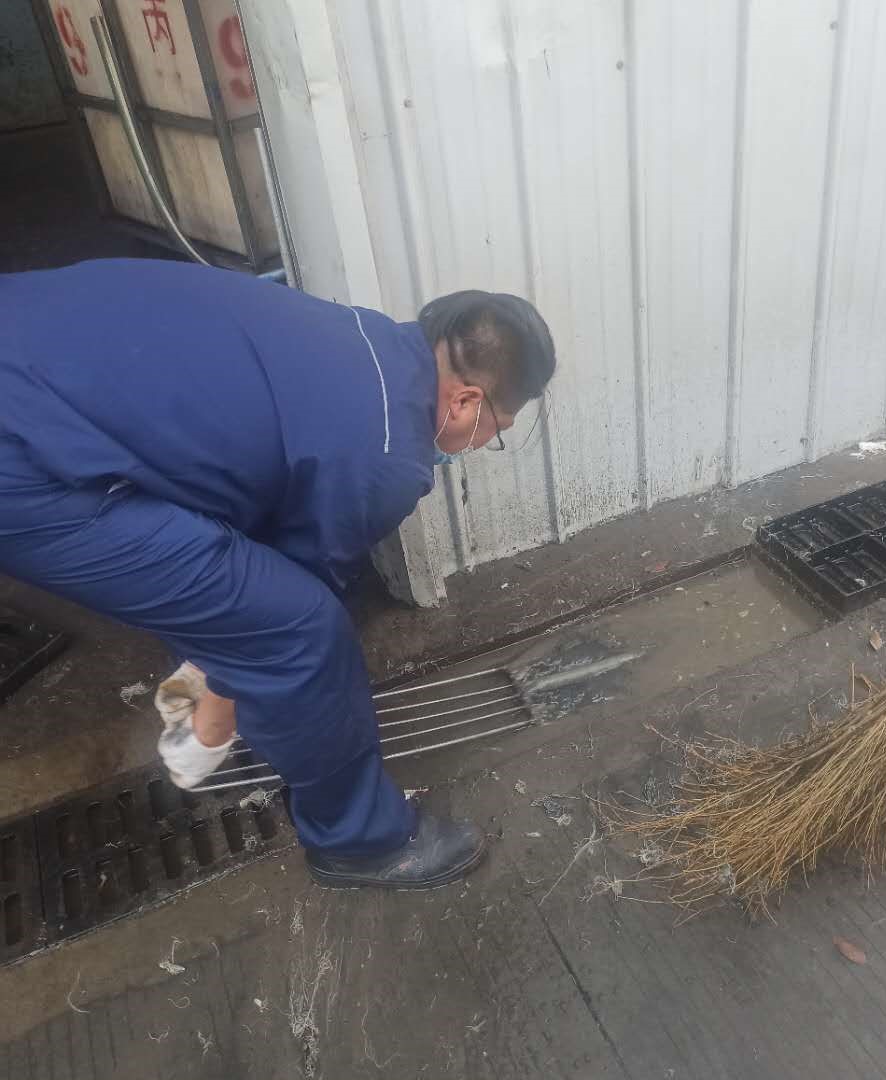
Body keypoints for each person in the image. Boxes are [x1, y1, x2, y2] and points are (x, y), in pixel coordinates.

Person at [0, 259, 556, 890]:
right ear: (466, 402)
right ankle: (359, 842)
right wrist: (214, 723)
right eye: (494, 433)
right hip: (25, 469)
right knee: (301, 629)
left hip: (26, 348)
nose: (481, 445)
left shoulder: (363, 337)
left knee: (241, 581)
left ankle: (221, 694)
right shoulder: (386, 452)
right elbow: (285, 606)